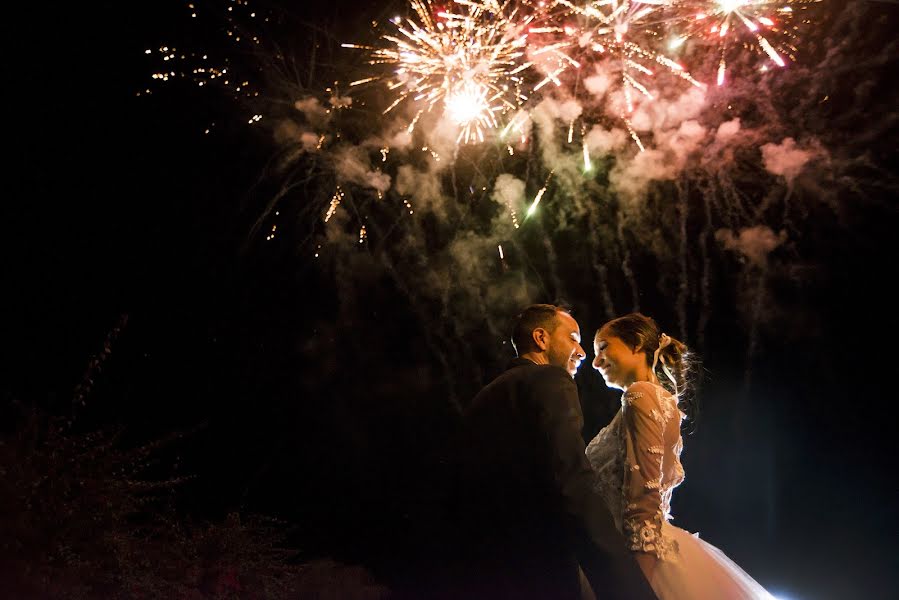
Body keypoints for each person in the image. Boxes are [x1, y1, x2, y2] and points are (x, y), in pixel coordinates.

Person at [454, 304, 658, 600]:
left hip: (484, 573)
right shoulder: (549, 380)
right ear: (541, 338)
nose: (583, 352)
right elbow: (572, 483)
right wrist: (626, 588)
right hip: (540, 573)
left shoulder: (487, 396)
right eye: (573, 338)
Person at [587, 312, 775, 599]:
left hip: (639, 562)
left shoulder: (639, 396)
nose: (595, 361)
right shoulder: (661, 399)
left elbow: (643, 504)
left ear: (636, 344)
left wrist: (636, 587)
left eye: (603, 347)